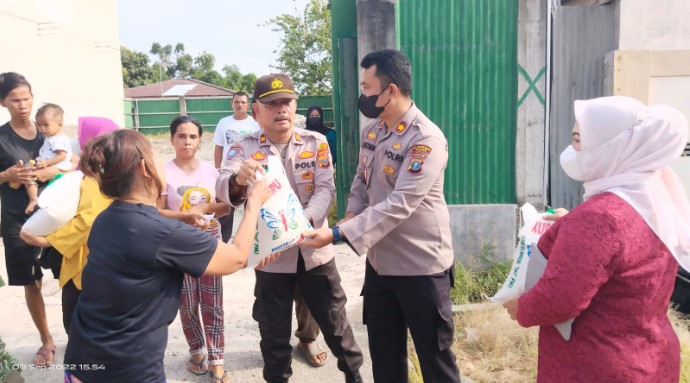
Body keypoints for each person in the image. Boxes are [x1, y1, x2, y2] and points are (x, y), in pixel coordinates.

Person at [61, 129, 275, 383]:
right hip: (127, 368)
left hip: (80, 359)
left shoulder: (106, 219)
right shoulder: (160, 232)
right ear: (145, 168)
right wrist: (254, 201)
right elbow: (236, 258)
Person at [502, 96, 690, 382]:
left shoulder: (598, 217)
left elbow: (559, 301)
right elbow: (627, 248)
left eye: (579, 140)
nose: (572, 150)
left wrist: (521, 307)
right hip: (650, 356)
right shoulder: (652, 196)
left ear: (613, 146)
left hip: (596, 363)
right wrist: (574, 228)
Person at [302, 49, 461, 382]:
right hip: (381, 265)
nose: (363, 95)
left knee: (436, 363)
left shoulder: (425, 139)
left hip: (422, 268)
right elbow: (362, 179)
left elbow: (401, 203)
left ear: (391, 90)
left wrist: (337, 234)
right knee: (386, 360)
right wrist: (349, 214)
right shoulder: (372, 131)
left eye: (367, 87)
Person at [216, 73, 364, 383]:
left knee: (336, 325)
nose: (281, 109)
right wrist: (238, 180)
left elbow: (326, 188)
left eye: (287, 102)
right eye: (272, 104)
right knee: (273, 333)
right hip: (271, 261)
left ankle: (353, 375)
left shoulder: (316, 142)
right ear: (257, 110)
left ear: (295, 105)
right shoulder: (242, 148)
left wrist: (301, 225)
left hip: (314, 251)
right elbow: (222, 191)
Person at [19, 116, 119, 336]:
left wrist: (48, 240)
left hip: (86, 265)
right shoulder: (105, 178)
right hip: (103, 262)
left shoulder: (90, 181)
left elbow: (87, 220)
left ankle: (82, 367)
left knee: (79, 326)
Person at [0, 72, 69, 367]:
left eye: (27, 98)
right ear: (3, 102)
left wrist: (52, 172)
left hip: (59, 215)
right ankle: (46, 340)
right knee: (32, 282)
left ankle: (79, 334)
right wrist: (6, 175)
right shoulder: (1, 138)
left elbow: (73, 166)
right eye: (15, 100)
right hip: (18, 218)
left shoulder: (49, 129)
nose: (23, 105)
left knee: (72, 276)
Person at [157, 116, 232, 383]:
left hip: (209, 240)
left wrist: (206, 208)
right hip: (177, 243)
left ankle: (216, 360)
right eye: (181, 136)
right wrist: (185, 217)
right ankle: (197, 350)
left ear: (200, 140)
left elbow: (225, 206)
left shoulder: (212, 172)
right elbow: (158, 211)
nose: (187, 141)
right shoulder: (163, 172)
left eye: (192, 136)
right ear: (172, 139)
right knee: (187, 304)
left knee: (213, 303)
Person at [213, 91, 260, 242]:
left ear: (248, 105)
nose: (239, 105)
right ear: (231, 104)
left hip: (252, 172)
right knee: (226, 209)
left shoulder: (255, 123)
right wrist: (217, 169)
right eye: (237, 102)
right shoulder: (223, 123)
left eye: (243, 102)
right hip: (230, 172)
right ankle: (223, 242)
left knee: (252, 207)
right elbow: (219, 147)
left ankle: (252, 241)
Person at [23, 103, 73, 214]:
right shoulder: (53, 137)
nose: (42, 129)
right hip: (50, 165)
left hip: (55, 167)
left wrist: (47, 163)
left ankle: (33, 198)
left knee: (28, 173)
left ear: (60, 125)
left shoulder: (57, 140)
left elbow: (62, 155)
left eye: (46, 125)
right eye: (39, 125)